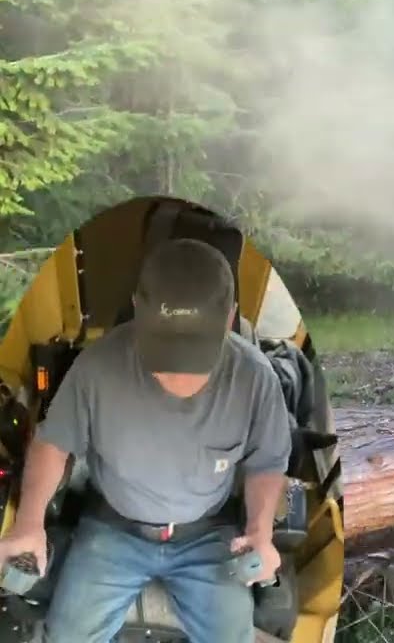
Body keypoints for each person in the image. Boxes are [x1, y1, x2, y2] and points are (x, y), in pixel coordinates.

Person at [0, 237, 294, 642]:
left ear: (228, 319)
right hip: (113, 528)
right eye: (166, 353)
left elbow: (267, 463)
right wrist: (29, 523)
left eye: (194, 356)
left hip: (209, 535)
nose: (179, 378)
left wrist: (261, 532)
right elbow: (53, 444)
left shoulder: (256, 378)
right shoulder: (96, 368)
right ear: (138, 309)